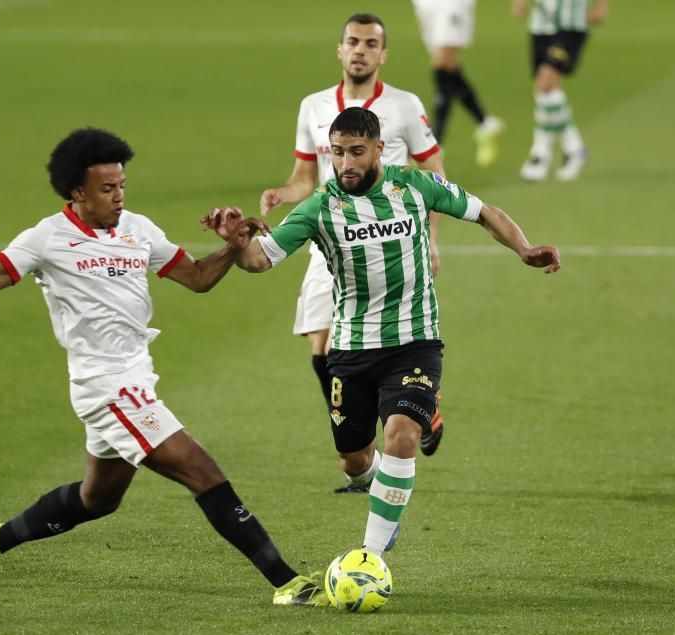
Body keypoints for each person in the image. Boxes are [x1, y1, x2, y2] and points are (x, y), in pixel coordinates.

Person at [0, 128, 326, 606]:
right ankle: (288, 584)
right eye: (107, 188)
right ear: (77, 192)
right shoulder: (46, 239)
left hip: (138, 377)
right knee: (200, 469)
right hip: (105, 386)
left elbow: (197, 278)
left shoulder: (138, 228)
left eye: (122, 186)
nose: (118, 196)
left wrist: (232, 247)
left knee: (97, 499)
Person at [216, 107, 560, 554]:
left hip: (414, 342)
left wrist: (524, 249)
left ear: (379, 148)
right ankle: (386, 495)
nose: (345, 163)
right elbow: (259, 260)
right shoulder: (320, 207)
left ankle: (371, 558)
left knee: (402, 435)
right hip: (352, 349)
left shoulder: (416, 186)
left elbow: (484, 212)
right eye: (337, 152)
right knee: (354, 462)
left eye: (356, 152)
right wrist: (236, 243)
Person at [260, 13, 449, 495]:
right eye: (352, 42)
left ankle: (415, 403)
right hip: (333, 238)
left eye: (370, 43)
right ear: (340, 50)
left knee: (387, 338)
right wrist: (283, 194)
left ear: (383, 54)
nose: (360, 50)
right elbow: (305, 177)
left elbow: (433, 171)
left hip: (390, 239)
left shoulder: (404, 105)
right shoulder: (314, 106)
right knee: (321, 346)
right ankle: (360, 448)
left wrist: (431, 237)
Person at [514, 0, 608, 181]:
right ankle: (574, 148)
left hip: (570, 24)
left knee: (545, 84)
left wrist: (601, 6)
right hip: (540, 23)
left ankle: (540, 153)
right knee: (546, 93)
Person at [412, 0, 505, 166]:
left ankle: (435, 143)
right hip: (426, 5)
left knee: (442, 64)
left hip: (451, 5)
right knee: (449, 69)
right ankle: (485, 123)